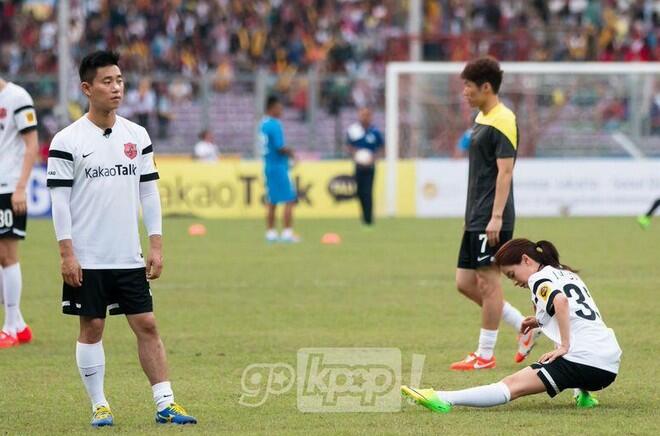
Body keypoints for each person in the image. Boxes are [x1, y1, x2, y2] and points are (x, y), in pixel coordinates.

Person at [46, 51, 196, 427]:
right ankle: (100, 404)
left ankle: (165, 403)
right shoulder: (67, 140)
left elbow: (149, 193)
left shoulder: (137, 135)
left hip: (128, 255)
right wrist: (67, 254)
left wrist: (157, 244)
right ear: (87, 88)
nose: (116, 88)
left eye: (119, 80)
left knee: (147, 324)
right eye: (107, 82)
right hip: (88, 256)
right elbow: (59, 202)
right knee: (92, 327)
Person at [402, 238, 622, 413]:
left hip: (584, 362)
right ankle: (583, 395)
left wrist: (564, 346)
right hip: (609, 363)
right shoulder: (567, 274)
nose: (515, 282)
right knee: (567, 338)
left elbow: (561, 302)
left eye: (512, 274)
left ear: (526, 260)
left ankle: (441, 398)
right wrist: (539, 320)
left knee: (510, 385)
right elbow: (576, 313)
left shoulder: (538, 278)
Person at [450, 56, 535, 371]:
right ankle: (524, 325)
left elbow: (504, 173)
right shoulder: (482, 118)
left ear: (486, 87)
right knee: (464, 283)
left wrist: (496, 217)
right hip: (476, 214)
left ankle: (484, 355)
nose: (465, 93)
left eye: (469, 87)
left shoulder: (503, 119)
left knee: (488, 283)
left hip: (492, 217)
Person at [0, 77, 38, 348]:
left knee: (7, 255)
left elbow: (31, 145)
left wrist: (21, 187)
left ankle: (10, 326)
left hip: (9, 185)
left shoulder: (17, 97)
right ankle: (20, 325)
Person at [260, 95, 298, 243]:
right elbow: (280, 147)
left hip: (268, 165)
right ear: (272, 108)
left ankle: (270, 233)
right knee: (289, 199)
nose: (281, 110)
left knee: (272, 201)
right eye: (279, 107)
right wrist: (292, 153)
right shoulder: (275, 124)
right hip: (278, 166)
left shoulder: (262, 124)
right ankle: (287, 234)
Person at [346, 107, 384, 226]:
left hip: (370, 166)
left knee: (368, 192)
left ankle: (369, 220)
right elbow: (349, 146)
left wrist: (373, 158)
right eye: (362, 115)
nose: (364, 117)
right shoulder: (354, 130)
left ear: (371, 117)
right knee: (359, 192)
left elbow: (382, 148)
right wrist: (356, 155)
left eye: (367, 115)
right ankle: (364, 217)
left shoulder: (375, 132)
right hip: (358, 166)